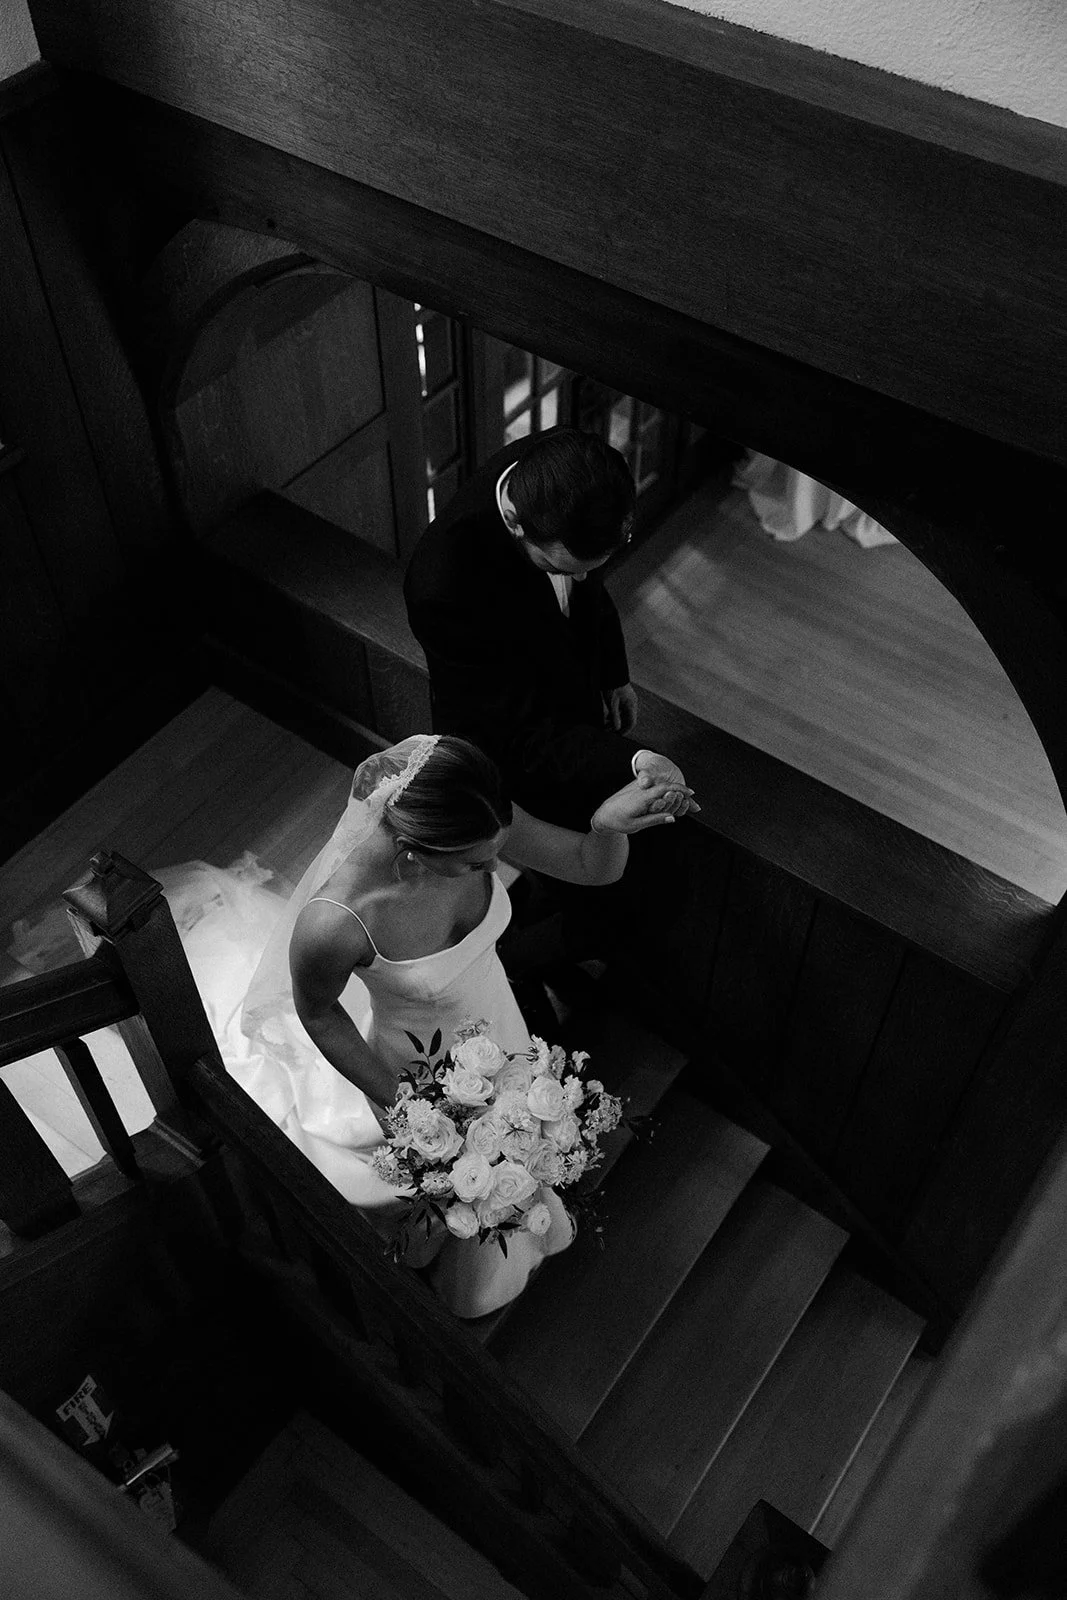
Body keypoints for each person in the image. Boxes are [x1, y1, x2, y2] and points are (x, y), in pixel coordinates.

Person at [160, 733, 685, 1319]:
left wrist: (606, 826)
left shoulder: (480, 825)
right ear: (412, 857)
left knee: (520, 1140)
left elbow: (590, 864)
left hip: (499, 1021)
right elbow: (318, 1012)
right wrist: (403, 1105)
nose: (494, 866)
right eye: (475, 865)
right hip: (417, 1066)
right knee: (459, 1180)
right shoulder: (337, 922)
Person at [403, 428, 696, 830]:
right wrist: (634, 759)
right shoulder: (443, 588)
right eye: (559, 568)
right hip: (512, 747)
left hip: (570, 697)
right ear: (514, 521)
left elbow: (587, 586)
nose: (581, 578)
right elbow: (518, 732)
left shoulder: (572, 468)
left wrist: (612, 674)